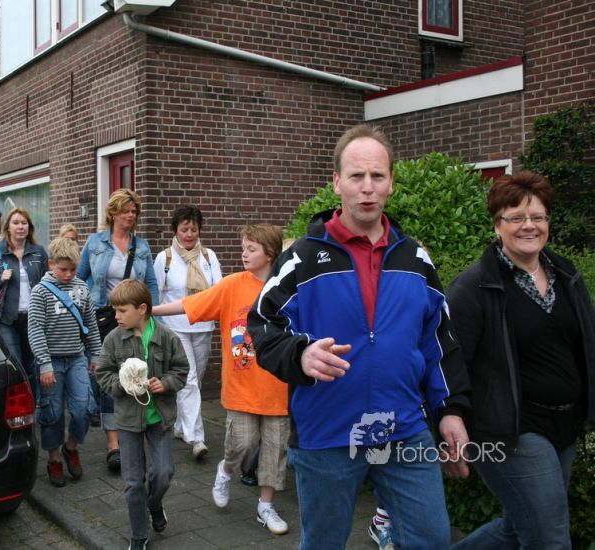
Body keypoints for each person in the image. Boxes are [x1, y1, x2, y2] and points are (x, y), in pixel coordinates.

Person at [247, 124, 471, 550]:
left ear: (390, 182)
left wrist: (450, 410)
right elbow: (262, 324)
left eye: (377, 176)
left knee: (431, 538)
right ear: (337, 183)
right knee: (324, 544)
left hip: (404, 429)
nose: (367, 187)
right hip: (327, 433)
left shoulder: (416, 258)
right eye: (356, 176)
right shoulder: (302, 258)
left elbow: (439, 341)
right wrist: (300, 354)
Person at [448, 171, 595, 550]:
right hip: (509, 430)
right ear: (497, 225)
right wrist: (451, 419)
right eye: (516, 217)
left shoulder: (567, 275)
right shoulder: (474, 287)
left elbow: (586, 346)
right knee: (549, 539)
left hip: (564, 423)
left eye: (538, 216)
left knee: (517, 530)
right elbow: (450, 361)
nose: (529, 225)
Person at [153, 223, 290, 536]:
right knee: (242, 443)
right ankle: (226, 469)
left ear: (270, 253)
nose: (244, 254)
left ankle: (266, 506)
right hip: (241, 388)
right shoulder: (232, 286)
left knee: (275, 450)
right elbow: (190, 305)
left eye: (251, 249)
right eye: (243, 248)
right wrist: (152, 311)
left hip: (278, 388)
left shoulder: (287, 289)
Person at [95, 279, 188, 550]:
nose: (116, 316)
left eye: (122, 311)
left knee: (163, 472)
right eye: (115, 310)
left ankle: (154, 504)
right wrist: (121, 385)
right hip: (128, 421)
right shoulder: (114, 339)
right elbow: (103, 372)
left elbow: (181, 370)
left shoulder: (167, 337)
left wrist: (165, 383)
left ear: (142, 309)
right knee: (133, 482)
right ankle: (139, 534)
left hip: (159, 418)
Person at [78, 189, 159, 472]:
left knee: (136, 372)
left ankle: (133, 430)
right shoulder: (95, 243)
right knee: (109, 374)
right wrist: (81, 312)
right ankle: (113, 443)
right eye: (125, 210)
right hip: (104, 318)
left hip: (135, 319)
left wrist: (152, 315)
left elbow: (151, 283)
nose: (130, 215)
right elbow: (80, 279)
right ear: (112, 213)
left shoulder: (142, 246)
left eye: (134, 211)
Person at [27, 237, 103, 487]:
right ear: (51, 264)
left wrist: (96, 354)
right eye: (63, 269)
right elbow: (35, 329)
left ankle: (71, 447)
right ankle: (54, 458)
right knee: (52, 411)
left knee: (84, 408)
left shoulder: (82, 288)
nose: (69, 274)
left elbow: (90, 324)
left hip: (77, 358)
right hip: (51, 362)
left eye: (73, 269)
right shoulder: (40, 291)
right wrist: (44, 364)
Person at [152, 205, 222, 459]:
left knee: (195, 381)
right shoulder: (165, 259)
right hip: (175, 328)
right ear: (176, 230)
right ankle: (197, 438)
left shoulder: (209, 257)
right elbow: (157, 293)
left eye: (194, 229)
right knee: (189, 379)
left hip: (203, 326)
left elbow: (218, 290)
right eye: (184, 229)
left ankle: (182, 426)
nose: (190, 234)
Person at [0, 208, 48, 384]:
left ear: (29, 227)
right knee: (16, 364)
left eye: (24, 223)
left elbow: (48, 282)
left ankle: (36, 399)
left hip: (34, 318)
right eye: (16, 223)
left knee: (35, 364)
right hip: (7, 318)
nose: (20, 227)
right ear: (8, 227)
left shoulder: (39, 252)